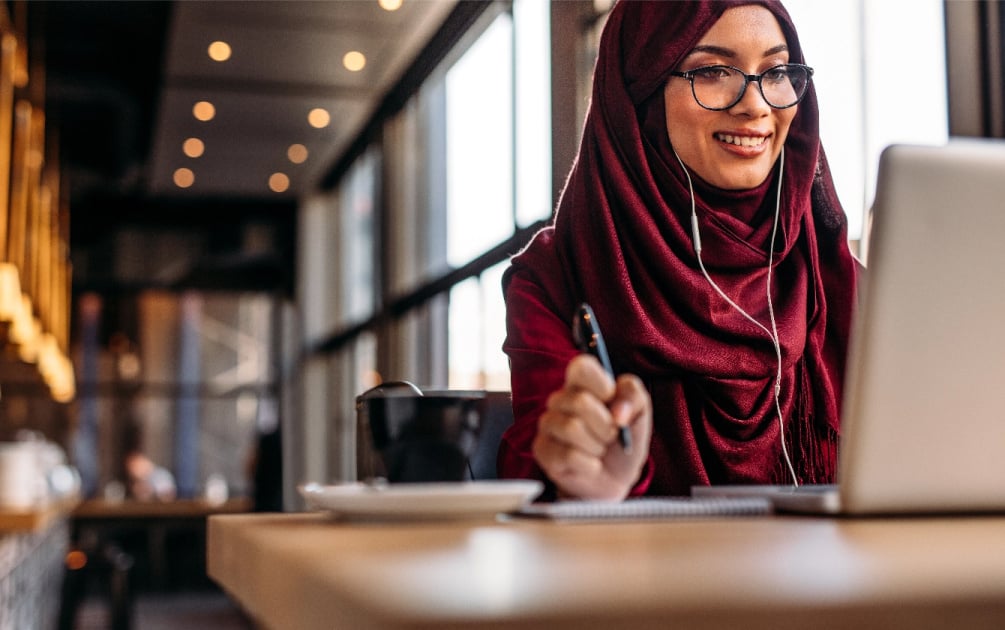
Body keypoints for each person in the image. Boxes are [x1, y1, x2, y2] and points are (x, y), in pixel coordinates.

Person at [499, 0, 858, 500]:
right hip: (640, 573)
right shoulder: (558, 274)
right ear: (639, 95)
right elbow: (539, 463)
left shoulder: (836, 277)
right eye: (712, 70)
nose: (755, 105)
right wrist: (585, 479)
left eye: (776, 71)